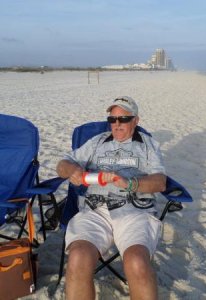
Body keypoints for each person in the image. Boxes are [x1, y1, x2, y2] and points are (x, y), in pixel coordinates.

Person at [56, 96, 166, 300]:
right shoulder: (97, 141)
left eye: (123, 119)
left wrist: (130, 183)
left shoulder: (148, 145)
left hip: (134, 210)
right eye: (112, 119)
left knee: (137, 262)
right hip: (95, 210)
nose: (117, 124)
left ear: (136, 120)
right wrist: (73, 170)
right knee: (78, 257)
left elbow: (160, 181)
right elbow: (62, 164)